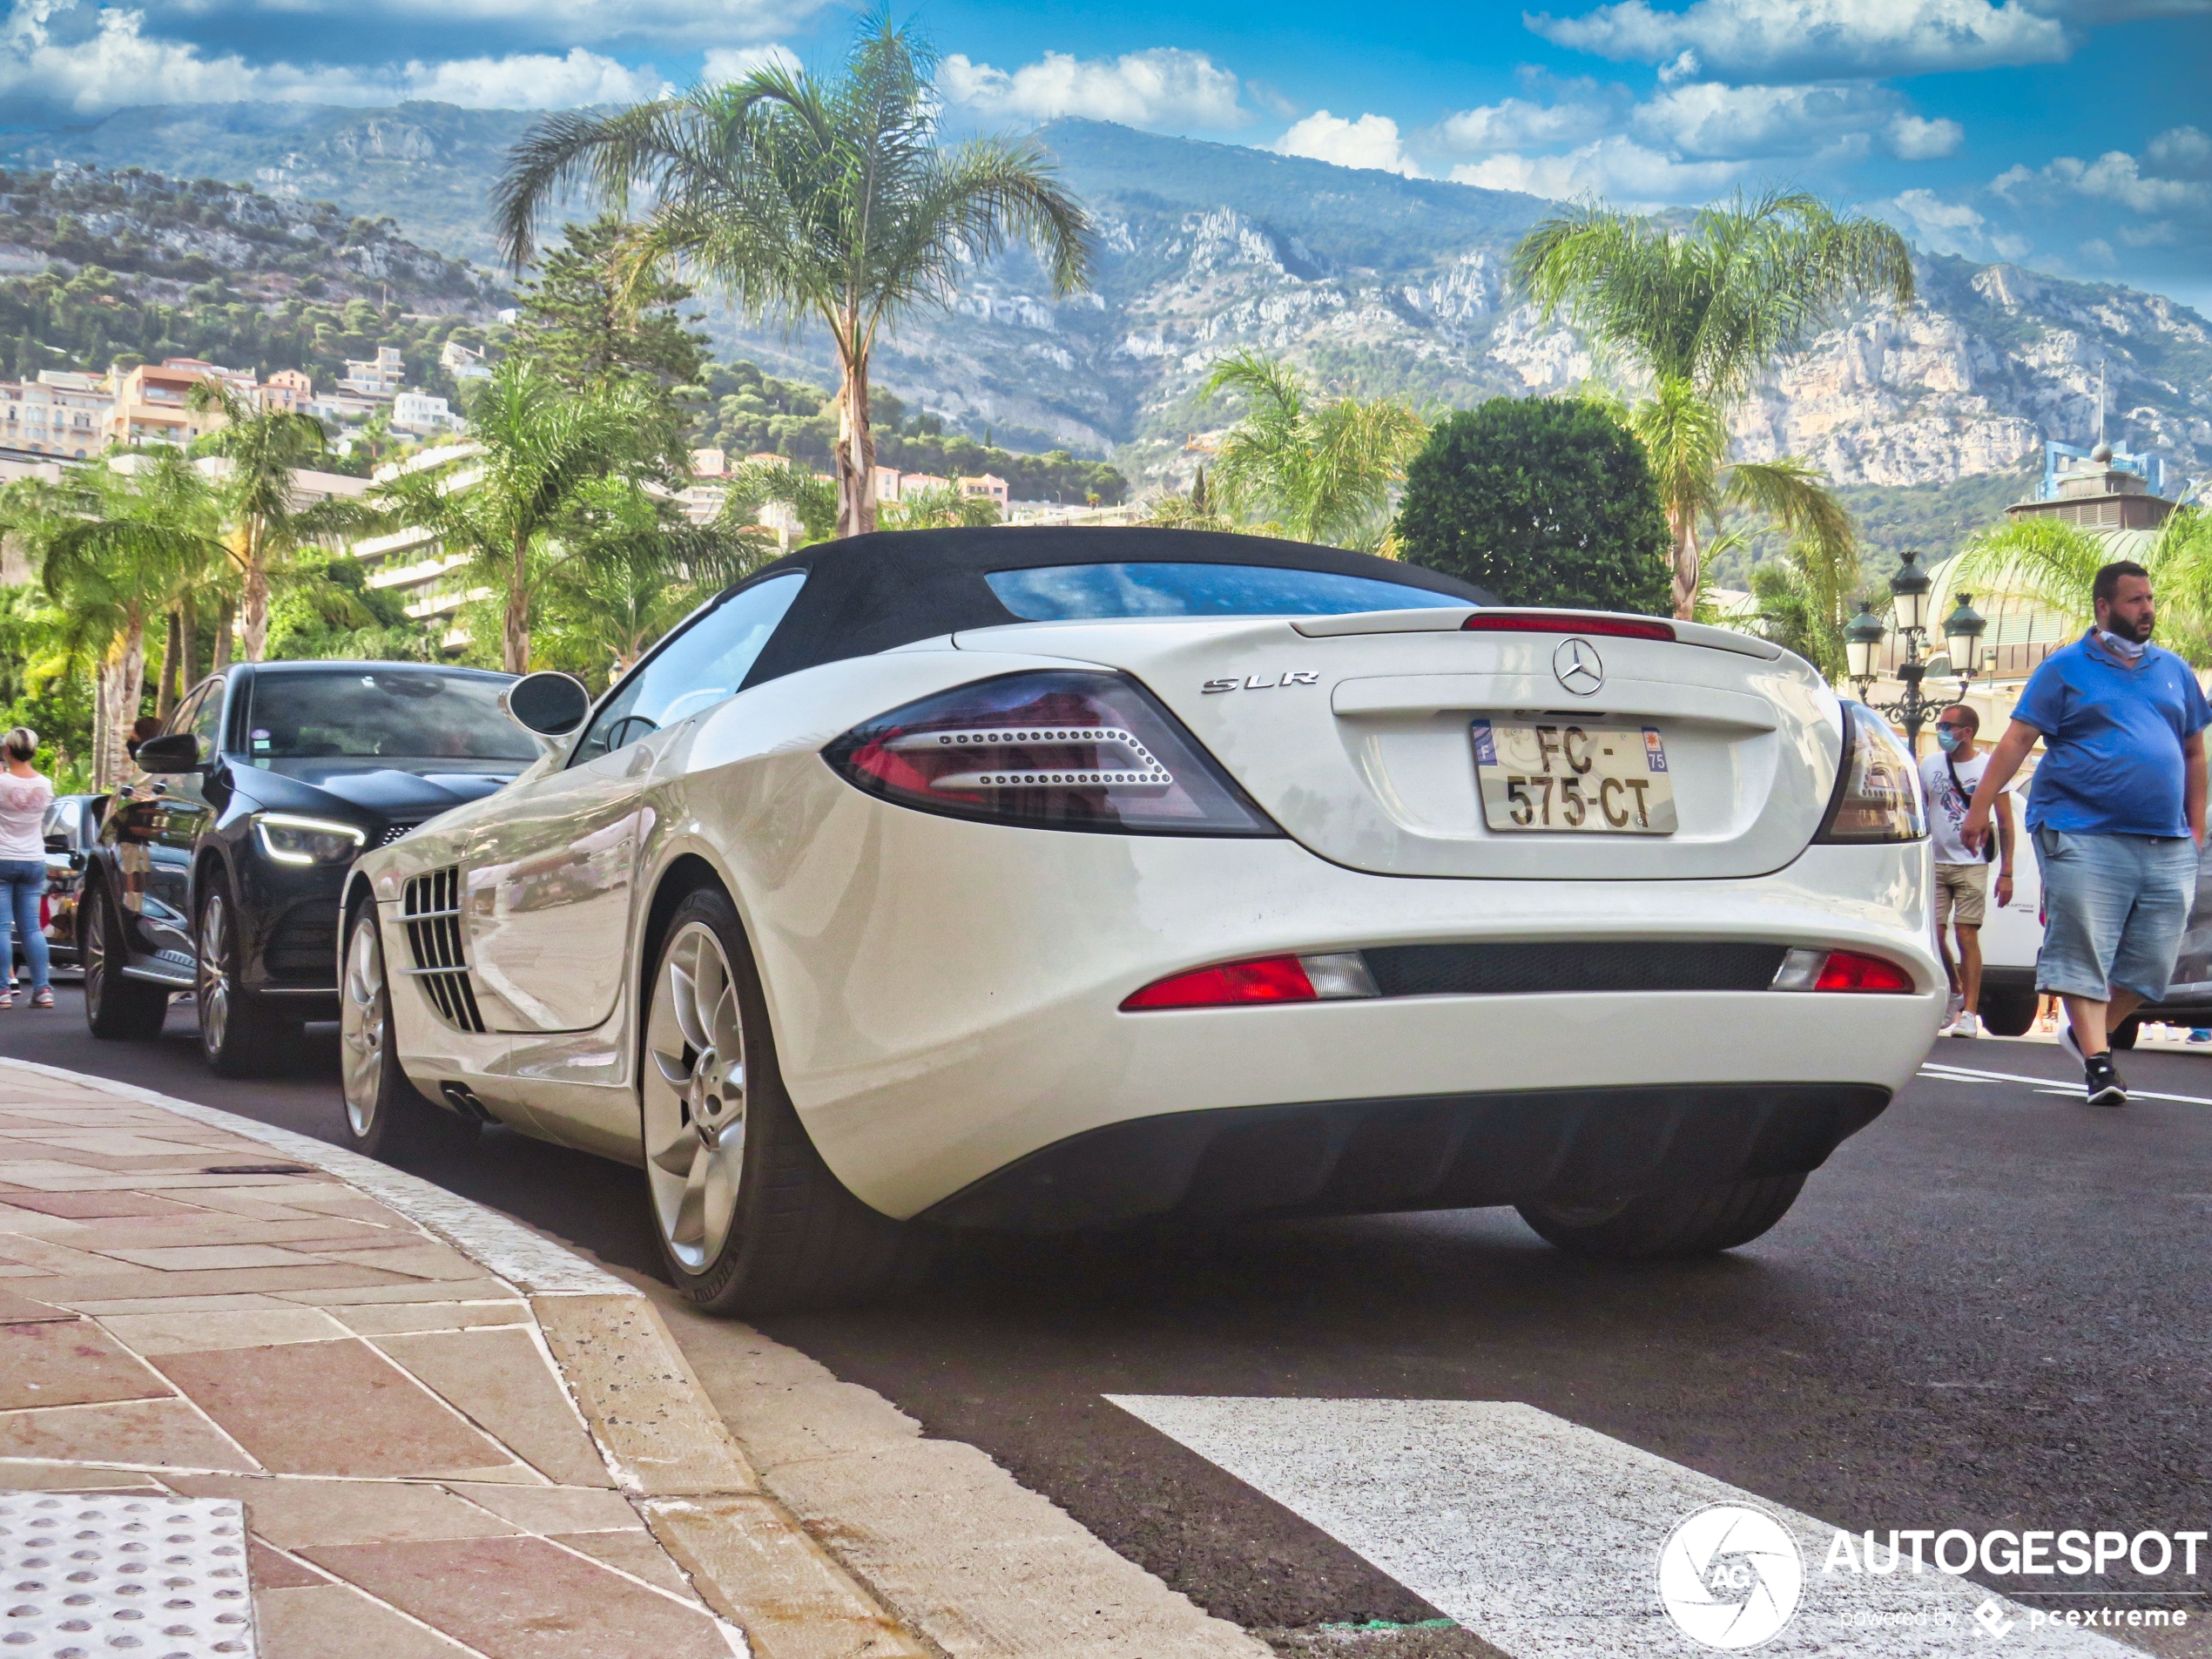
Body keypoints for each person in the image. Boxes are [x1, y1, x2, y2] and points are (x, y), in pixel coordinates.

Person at [1963, 561, 2209, 1106]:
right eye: (2133, 601)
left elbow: (2194, 751)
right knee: (2085, 945)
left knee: (2155, 962)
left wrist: (2195, 828)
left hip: (2165, 839)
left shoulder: (2173, 670)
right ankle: (2099, 1064)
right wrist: (1980, 807)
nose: (2147, 609)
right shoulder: (2065, 668)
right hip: (2078, 828)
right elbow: (2015, 741)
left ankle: (2081, 1032)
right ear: (2103, 607)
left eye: (2149, 599)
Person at [1919, 705, 2013, 1037]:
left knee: (1965, 934)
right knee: (1932, 932)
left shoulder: (1989, 767)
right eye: (1940, 724)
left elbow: (2004, 821)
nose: (1942, 730)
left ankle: (1969, 1013)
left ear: (1967, 732)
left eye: (1948, 725)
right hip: (1934, 862)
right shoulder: (1929, 766)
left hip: (1972, 863)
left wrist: (2007, 872)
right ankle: (1955, 990)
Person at [0, 726, 56, 1011]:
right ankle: (43, 988)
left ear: (7, 751)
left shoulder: (2, 782)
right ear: (33, 752)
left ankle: (2, 991)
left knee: (0, 928)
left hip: (2, 858)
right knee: (31, 929)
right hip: (34, 859)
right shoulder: (46, 784)